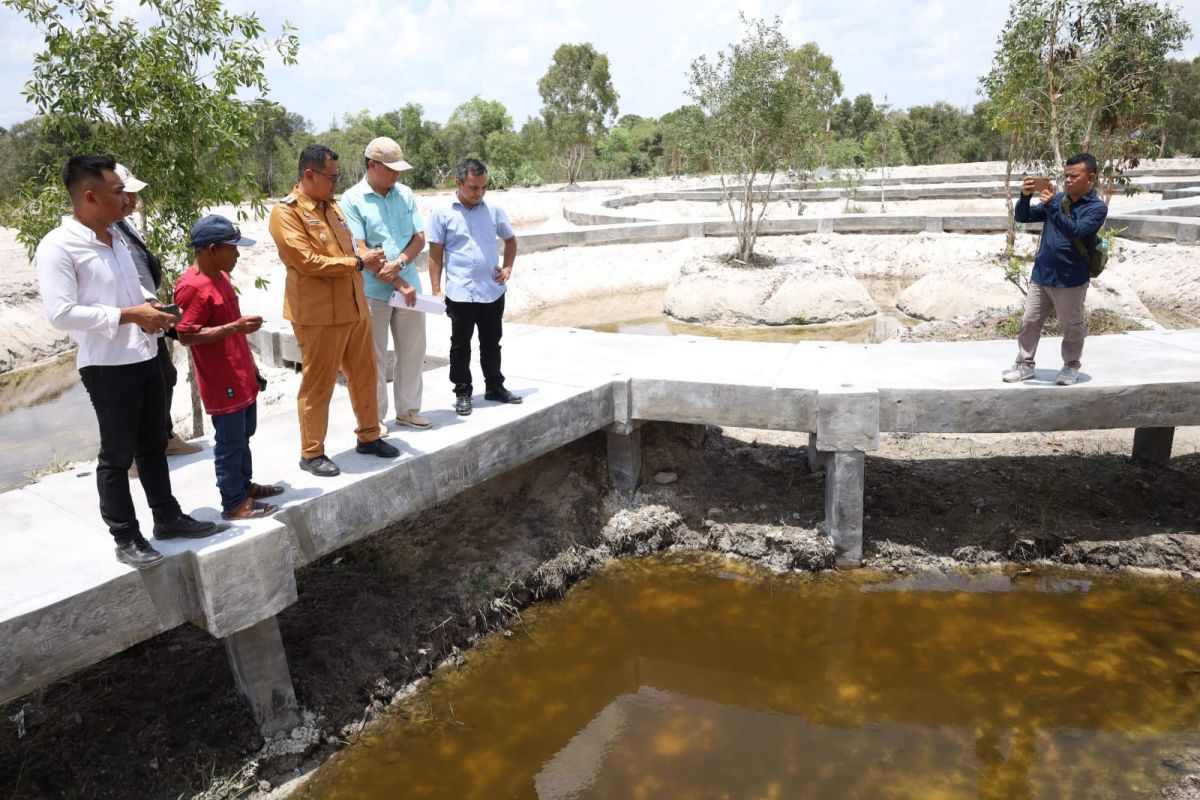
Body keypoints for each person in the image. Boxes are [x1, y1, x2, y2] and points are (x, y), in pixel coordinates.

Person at [36, 155, 217, 569]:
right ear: (89, 196)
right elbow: (61, 313)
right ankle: (126, 535)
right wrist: (131, 316)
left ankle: (167, 517)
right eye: (118, 192)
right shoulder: (59, 247)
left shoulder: (116, 237)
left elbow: (132, 286)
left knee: (154, 443)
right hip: (106, 365)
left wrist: (151, 306)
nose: (126, 199)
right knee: (117, 456)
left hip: (144, 353)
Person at [268, 143, 399, 477]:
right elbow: (307, 261)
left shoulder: (333, 207)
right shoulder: (287, 212)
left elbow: (351, 247)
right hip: (318, 315)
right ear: (309, 175)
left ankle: (369, 435)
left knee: (366, 375)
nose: (336, 184)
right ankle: (312, 453)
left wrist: (367, 258)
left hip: (354, 307)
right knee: (319, 383)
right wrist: (358, 262)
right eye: (332, 177)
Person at [174, 215, 284, 520]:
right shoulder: (193, 287)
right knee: (229, 441)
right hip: (221, 380)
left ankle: (244, 486)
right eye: (232, 248)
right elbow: (185, 334)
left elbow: (226, 326)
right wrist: (235, 327)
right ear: (211, 249)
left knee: (244, 435)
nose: (237, 254)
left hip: (240, 373)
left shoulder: (220, 277)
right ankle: (233, 502)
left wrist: (249, 362)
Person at [113, 163, 203, 464]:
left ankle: (162, 437)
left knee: (164, 375)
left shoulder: (125, 225)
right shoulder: (105, 231)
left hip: (149, 313)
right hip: (129, 320)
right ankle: (139, 452)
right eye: (125, 194)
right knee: (139, 386)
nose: (132, 200)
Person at [340, 137, 431, 429]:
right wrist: (398, 282)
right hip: (373, 292)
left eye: (398, 170)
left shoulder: (404, 194)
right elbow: (361, 250)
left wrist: (401, 265)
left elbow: (419, 237)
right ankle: (374, 419)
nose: (397, 175)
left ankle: (408, 410)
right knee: (373, 359)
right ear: (372, 165)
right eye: (390, 169)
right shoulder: (352, 200)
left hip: (410, 290)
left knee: (413, 352)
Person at [1003, 153, 1108, 386]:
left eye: (1074, 176)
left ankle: (1071, 365)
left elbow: (1075, 230)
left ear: (1090, 178)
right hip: (1042, 275)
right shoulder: (1059, 200)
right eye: (1066, 176)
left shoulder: (1097, 208)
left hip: (1071, 279)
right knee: (1029, 320)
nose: (1068, 180)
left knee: (1071, 327)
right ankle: (1024, 364)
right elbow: (1024, 217)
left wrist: (1052, 207)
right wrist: (1025, 196)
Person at [427, 158, 522, 416]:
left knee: (492, 343)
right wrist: (436, 290)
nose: (479, 193)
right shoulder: (442, 212)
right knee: (460, 345)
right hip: (460, 293)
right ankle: (463, 391)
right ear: (458, 183)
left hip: (492, 291)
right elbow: (435, 254)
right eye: (473, 187)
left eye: (483, 188)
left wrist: (508, 268)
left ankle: (494, 386)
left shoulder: (494, 210)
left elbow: (511, 241)